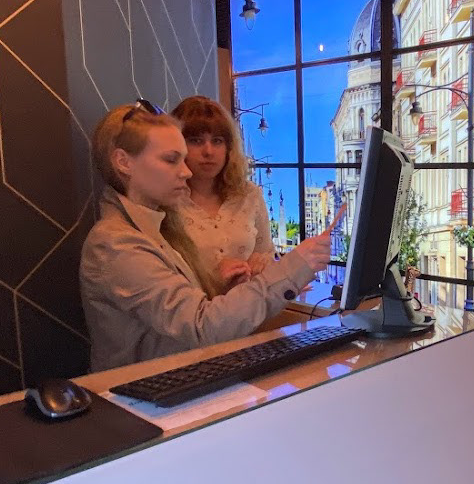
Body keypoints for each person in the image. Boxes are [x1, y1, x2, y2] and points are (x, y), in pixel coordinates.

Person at [79, 101, 335, 371]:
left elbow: (186, 315)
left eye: (217, 141)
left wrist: (222, 286)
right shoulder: (115, 244)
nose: (186, 171)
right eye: (171, 159)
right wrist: (295, 267)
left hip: (186, 376)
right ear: (124, 162)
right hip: (144, 389)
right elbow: (202, 326)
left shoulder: (153, 227)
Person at [170, 95, 273, 294]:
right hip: (191, 311)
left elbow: (266, 254)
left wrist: (260, 266)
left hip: (248, 307)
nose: (208, 151)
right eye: (196, 141)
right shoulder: (165, 201)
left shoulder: (249, 194)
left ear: (229, 148)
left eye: (217, 141)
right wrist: (215, 279)